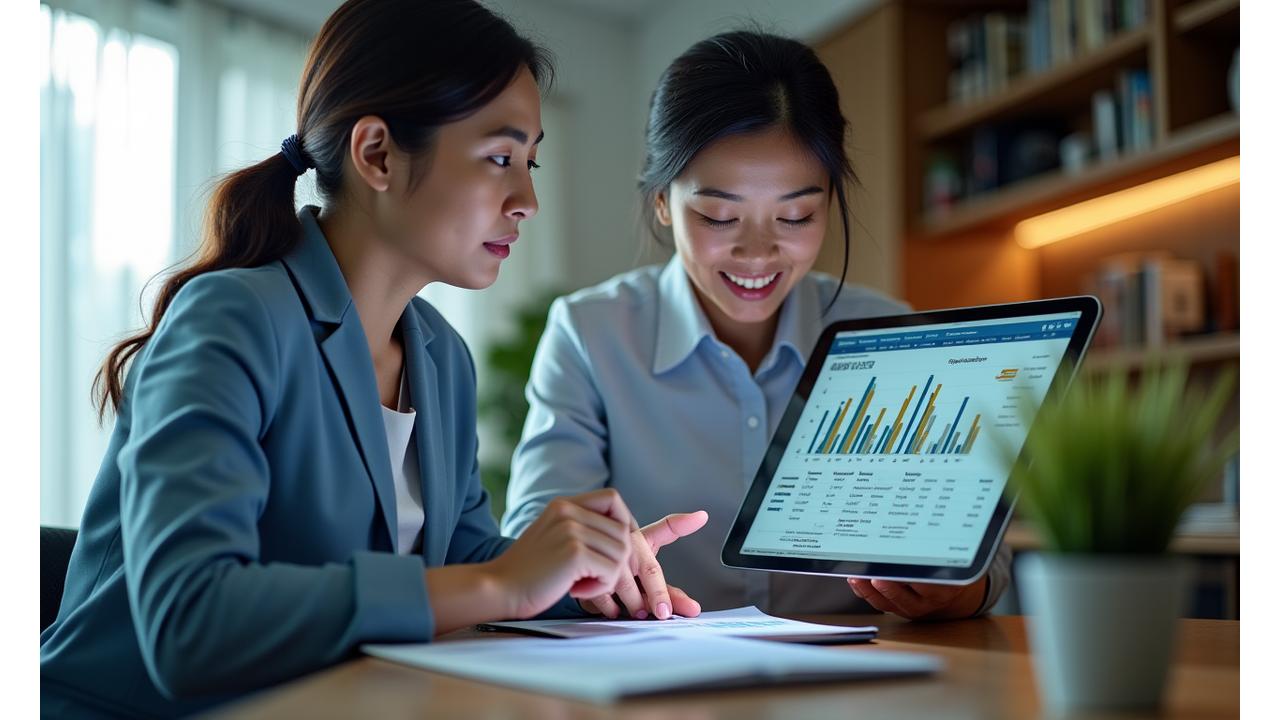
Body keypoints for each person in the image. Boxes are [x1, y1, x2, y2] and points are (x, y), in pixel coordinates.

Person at [39, 1, 705, 716]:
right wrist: (503, 584)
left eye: (531, 162)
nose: (527, 200)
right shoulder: (233, 317)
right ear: (377, 154)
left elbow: (462, 561)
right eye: (500, 158)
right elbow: (191, 621)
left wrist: (579, 582)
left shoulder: (440, 357)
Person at [503, 30, 1011, 619]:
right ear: (662, 201)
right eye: (720, 216)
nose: (757, 252)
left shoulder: (889, 333)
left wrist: (959, 588)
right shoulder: (592, 334)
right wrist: (588, 573)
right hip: (662, 686)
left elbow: (982, 555)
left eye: (796, 216)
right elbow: (532, 546)